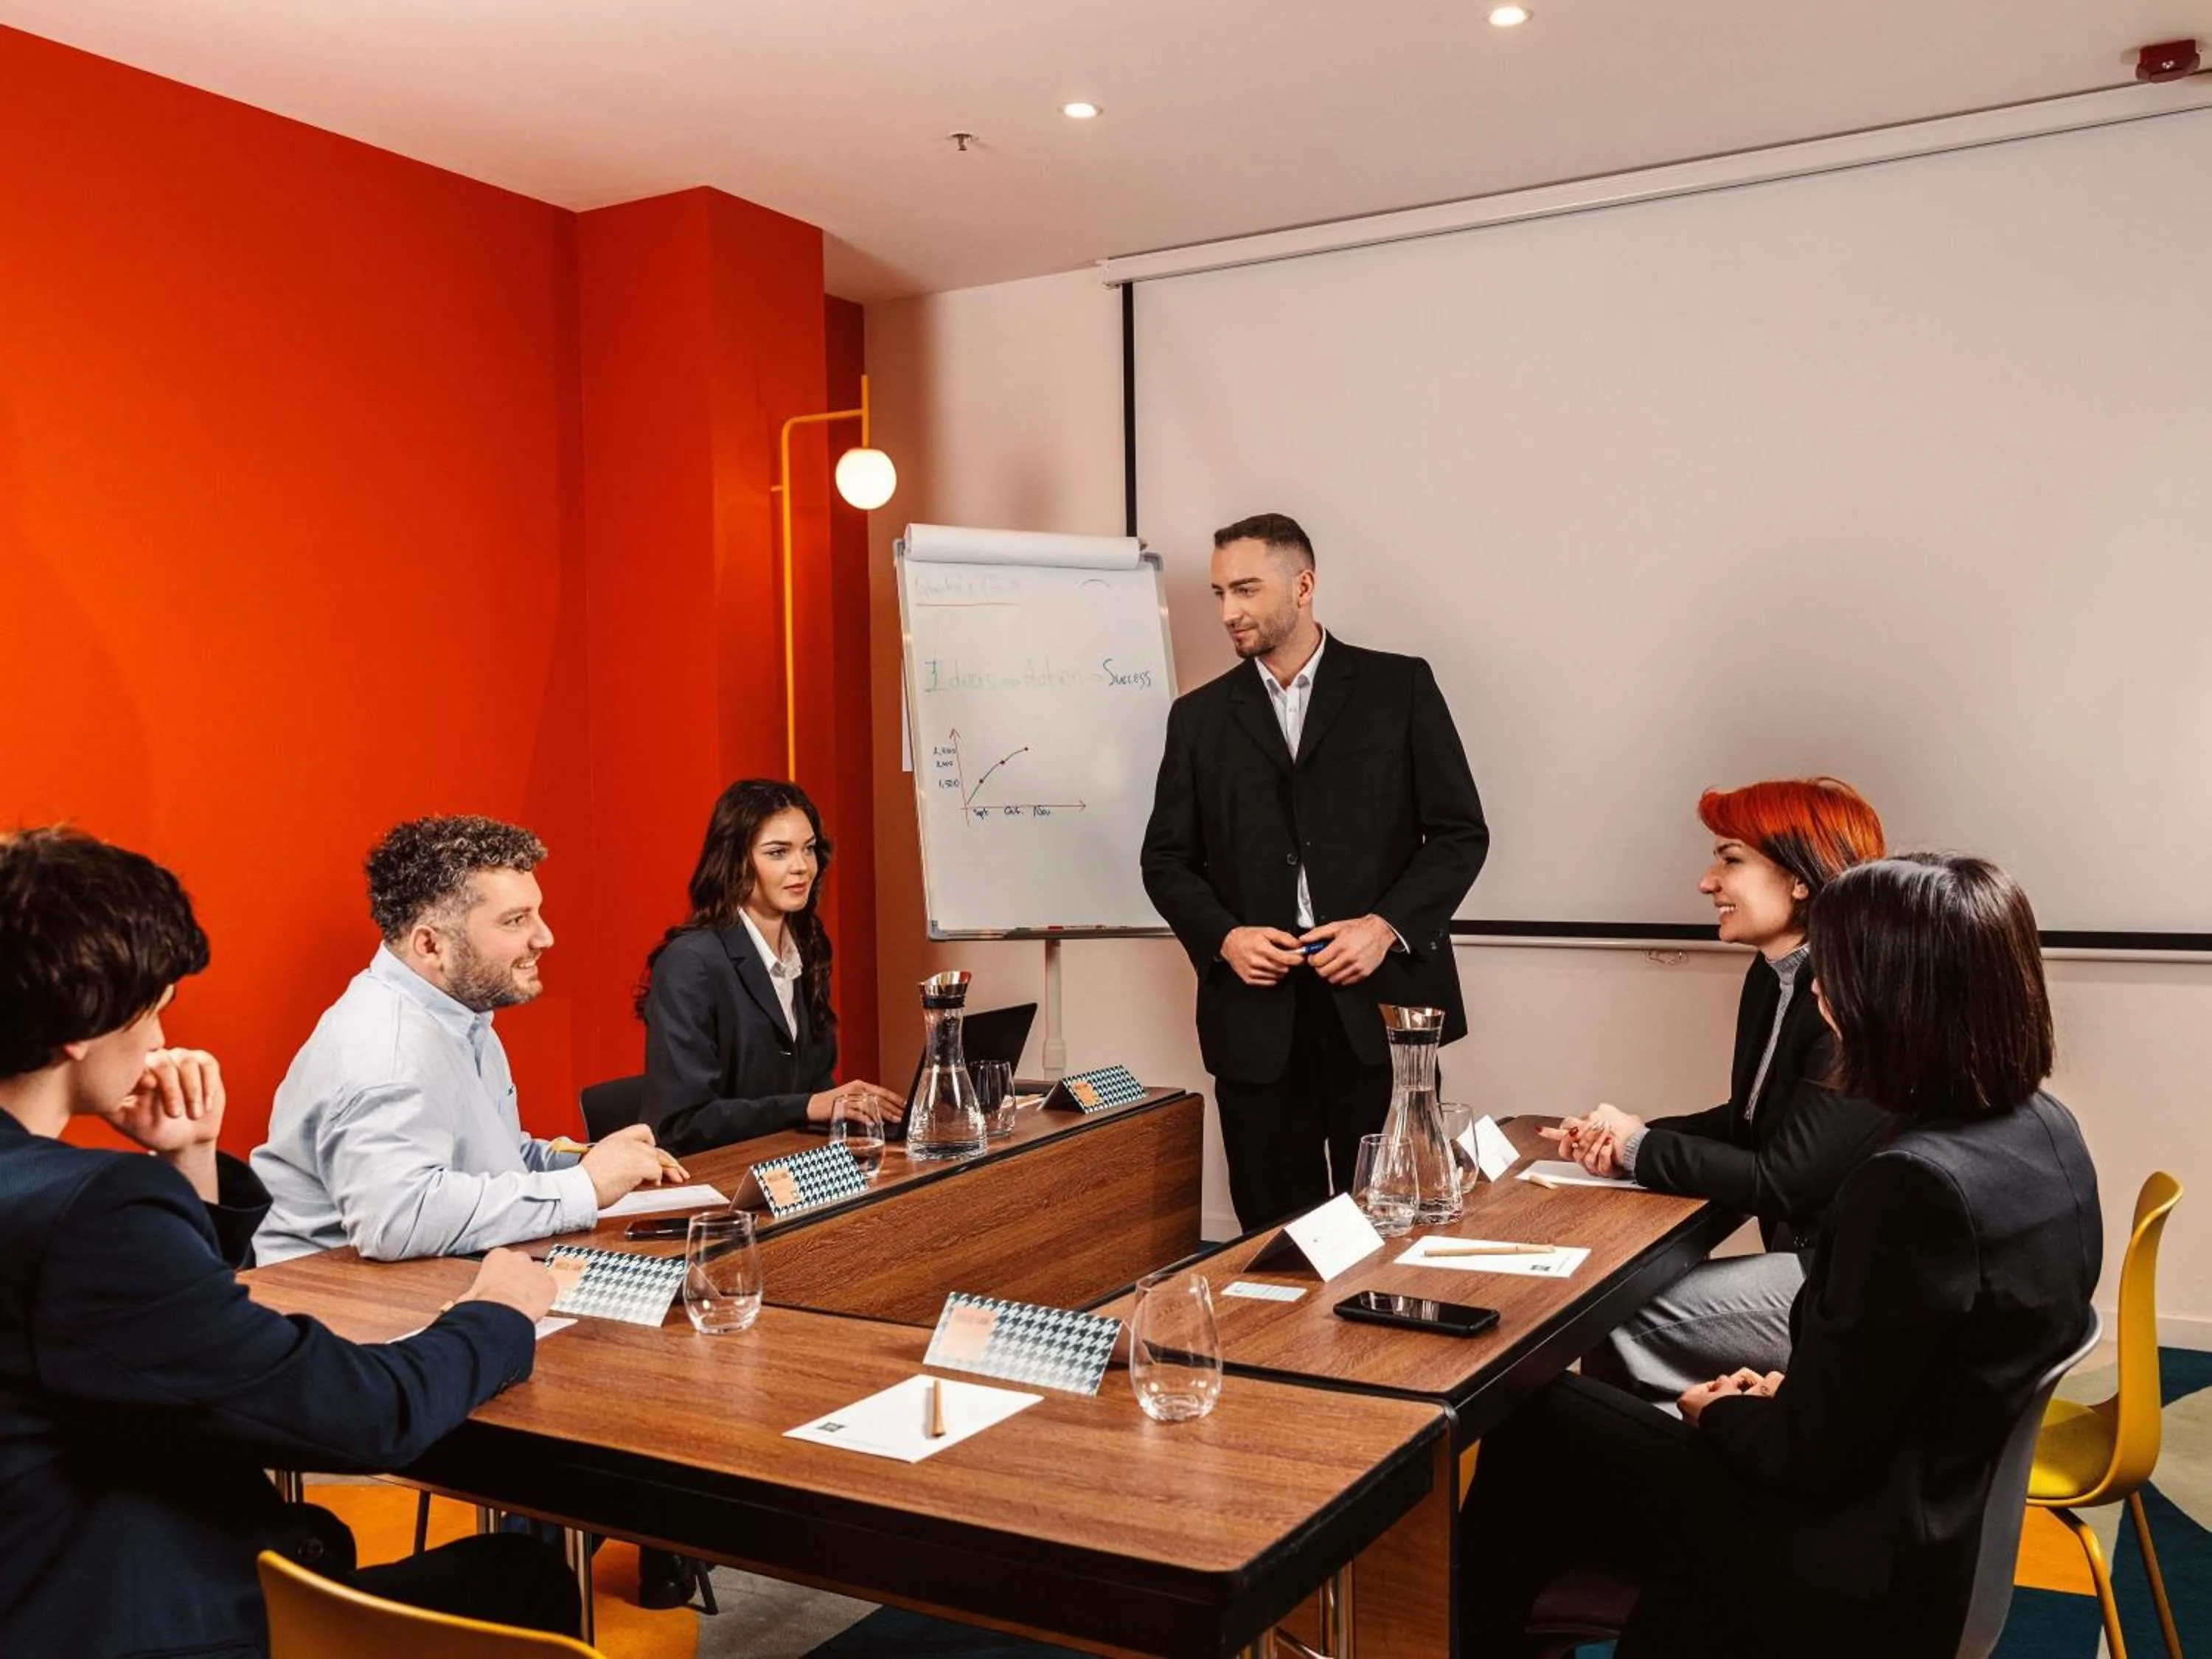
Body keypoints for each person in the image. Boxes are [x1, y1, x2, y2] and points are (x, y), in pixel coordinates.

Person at [1460, 854, 2102, 1658]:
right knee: (1559, 1444)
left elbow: (1807, 1463)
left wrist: (1722, 1409)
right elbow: (1908, 1375)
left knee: (1533, 1414)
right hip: (1937, 1526)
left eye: (1836, 967)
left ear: (1892, 991)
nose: (1821, 988)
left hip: (1848, 1565)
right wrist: (1789, 1394)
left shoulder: (1912, 1189)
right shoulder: (2046, 1130)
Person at [0, 827, 580, 1657]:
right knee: (523, 1581)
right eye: (155, 1005)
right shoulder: (92, 1216)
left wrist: (191, 1158)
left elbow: (176, 1346)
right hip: (134, 1613)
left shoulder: (60, 1201)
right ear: (79, 1025)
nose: (163, 1037)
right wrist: (495, 1314)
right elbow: (364, 1418)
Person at [1141, 512, 1489, 1230]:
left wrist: (1384, 928)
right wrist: (1226, 938)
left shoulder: (1400, 689)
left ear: (1303, 585)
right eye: (1217, 594)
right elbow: (1166, 860)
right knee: (1276, 1239)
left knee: (1399, 1223)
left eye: (1246, 589)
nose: (1229, 612)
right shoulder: (1198, 720)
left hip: (1381, 1007)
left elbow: (1459, 834)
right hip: (1255, 1017)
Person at [1550, 776, 1892, 1402]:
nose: (1707, 882)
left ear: (1800, 880)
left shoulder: (1848, 997)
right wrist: (1630, 1135)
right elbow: (1752, 1122)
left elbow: (1785, 1179)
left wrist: (1640, 1148)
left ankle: (1646, 1474)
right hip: (1814, 1263)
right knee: (1609, 1297)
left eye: (1730, 859)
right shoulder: (1774, 976)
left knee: (1603, 1312)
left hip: (1843, 1286)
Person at [254, 815, 681, 1265]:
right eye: (515, 921)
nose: (545, 937)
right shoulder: (387, 1051)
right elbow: (399, 1221)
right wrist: (584, 1187)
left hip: (426, 1278)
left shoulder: (460, 1016)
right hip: (338, 1304)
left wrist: (590, 1165)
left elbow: (490, 1161)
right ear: (429, 945)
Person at [639, 778, 903, 1156]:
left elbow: (816, 1086)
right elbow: (680, 1125)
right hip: (717, 1188)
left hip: (791, 1172)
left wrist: (858, 1115)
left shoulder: (807, 949)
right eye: (778, 852)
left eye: (808, 849)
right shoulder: (690, 962)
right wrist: (809, 1106)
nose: (802, 868)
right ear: (736, 860)